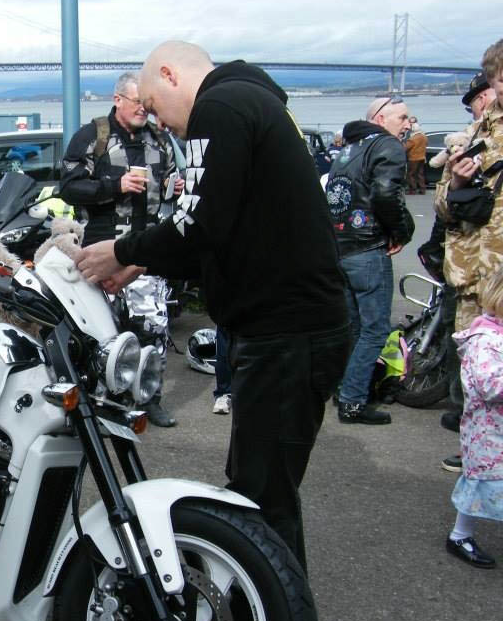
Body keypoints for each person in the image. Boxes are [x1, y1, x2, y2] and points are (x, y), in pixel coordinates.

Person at [76, 41, 349, 572]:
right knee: (262, 488)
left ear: (172, 76)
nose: (162, 125)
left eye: (155, 107)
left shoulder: (219, 108)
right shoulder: (257, 104)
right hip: (295, 327)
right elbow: (227, 235)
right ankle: (270, 619)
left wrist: (121, 251)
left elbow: (200, 223)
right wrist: (141, 263)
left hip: (284, 331)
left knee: (260, 501)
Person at [59, 71, 183, 426]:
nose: (144, 110)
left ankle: (150, 398)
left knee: (153, 326)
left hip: (147, 251)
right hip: (103, 248)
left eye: (146, 104)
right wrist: (116, 185)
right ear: (117, 100)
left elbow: (175, 179)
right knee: (102, 331)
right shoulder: (93, 136)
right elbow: (68, 186)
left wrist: (176, 187)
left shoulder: (159, 139)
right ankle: (99, 402)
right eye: (137, 103)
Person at [326, 96, 415, 424]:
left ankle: (343, 388)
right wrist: (402, 231)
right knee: (375, 329)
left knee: (353, 326)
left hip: (342, 248)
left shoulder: (347, 150)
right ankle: (352, 400)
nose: (408, 124)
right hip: (367, 247)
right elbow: (385, 193)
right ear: (380, 118)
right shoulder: (387, 145)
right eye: (402, 117)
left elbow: (334, 198)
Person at [437, 55, 503, 470]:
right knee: (476, 379)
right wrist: (457, 182)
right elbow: (443, 207)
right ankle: (477, 453)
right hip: (472, 278)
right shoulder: (479, 130)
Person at [444, 265, 503, 569]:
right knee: (480, 484)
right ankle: (459, 536)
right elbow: (490, 386)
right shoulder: (486, 340)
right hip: (488, 433)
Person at [404, 123, 427, 194]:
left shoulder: (413, 138)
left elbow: (406, 147)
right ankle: (422, 189)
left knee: (411, 174)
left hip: (413, 158)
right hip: (422, 157)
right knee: (420, 174)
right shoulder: (424, 137)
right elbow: (427, 144)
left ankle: (413, 190)